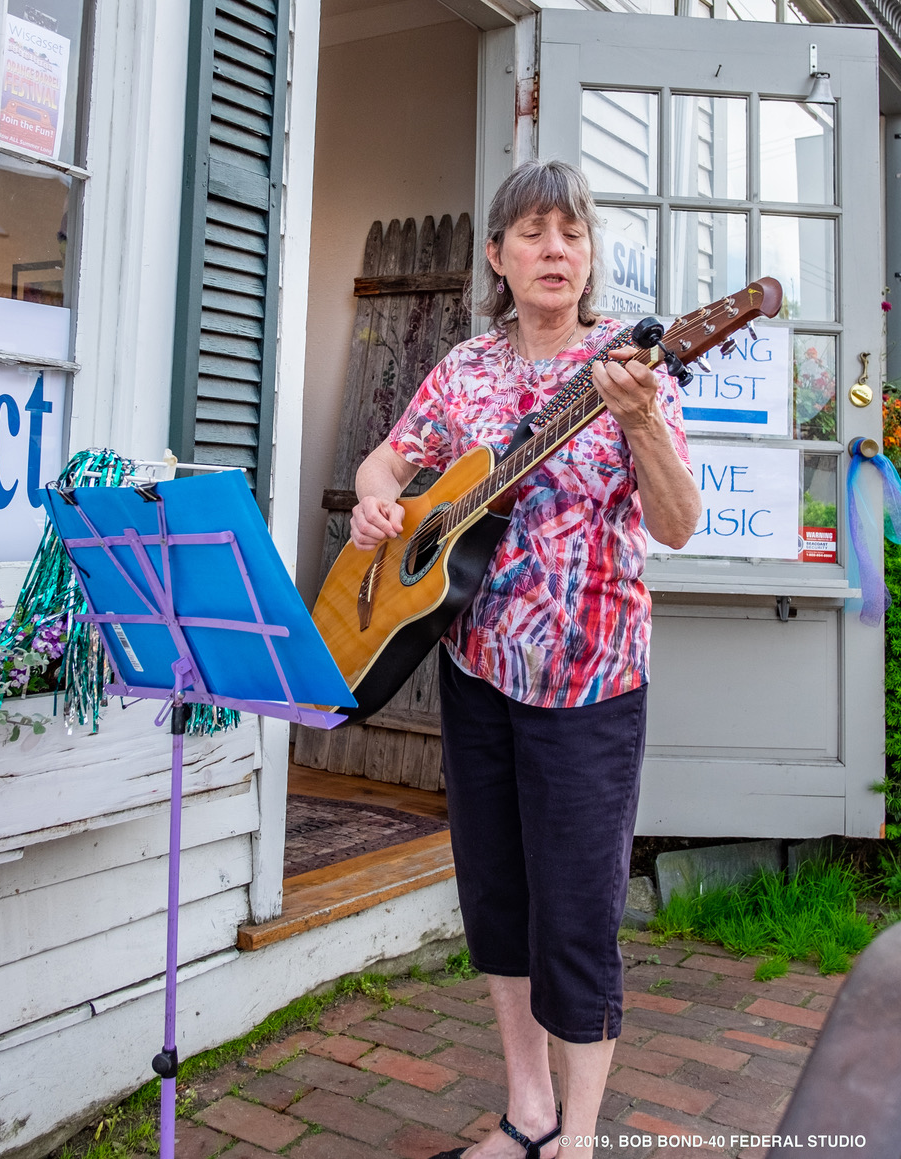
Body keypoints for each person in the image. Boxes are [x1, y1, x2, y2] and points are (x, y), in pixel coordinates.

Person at [349, 159, 701, 1159]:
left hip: (592, 682)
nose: (557, 250)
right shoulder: (465, 368)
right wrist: (382, 502)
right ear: (498, 256)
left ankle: (579, 1137)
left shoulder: (633, 366)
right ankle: (528, 1110)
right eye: (536, 234)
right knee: (497, 896)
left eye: (574, 234)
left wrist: (637, 421)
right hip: (475, 671)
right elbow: (390, 459)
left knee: (578, 912)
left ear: (588, 257)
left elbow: (676, 524)